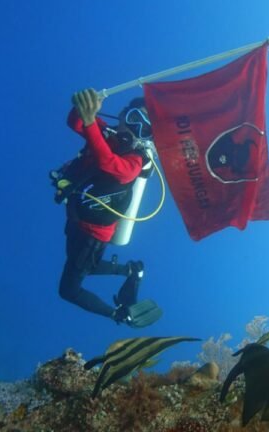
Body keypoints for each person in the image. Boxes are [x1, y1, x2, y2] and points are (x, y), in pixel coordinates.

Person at [53, 88, 161, 327]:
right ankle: (130, 271)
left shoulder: (136, 159)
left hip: (94, 234)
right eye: (134, 117)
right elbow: (75, 121)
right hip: (77, 219)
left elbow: (112, 165)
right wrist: (85, 107)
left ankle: (118, 314)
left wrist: (91, 121)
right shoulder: (107, 134)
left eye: (145, 127)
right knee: (80, 263)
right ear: (122, 114)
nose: (135, 128)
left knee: (69, 289)